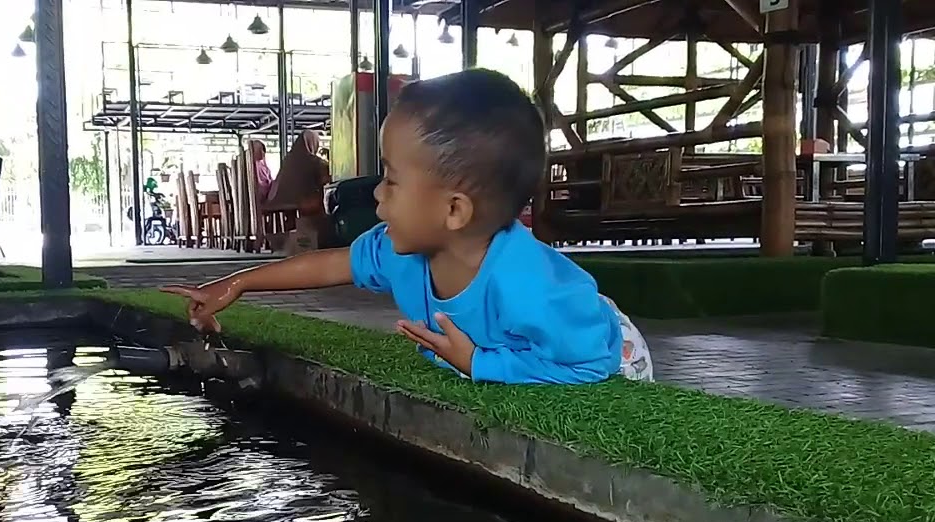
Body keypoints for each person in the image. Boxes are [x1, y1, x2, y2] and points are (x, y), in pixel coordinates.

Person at [162, 68, 652, 385]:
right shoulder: (402, 248)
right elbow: (331, 264)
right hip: (549, 336)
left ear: (454, 211)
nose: (377, 193)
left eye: (392, 179)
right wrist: (237, 284)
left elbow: (590, 363)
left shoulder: (530, 288)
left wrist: (481, 364)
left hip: (605, 349)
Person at [266, 129, 331, 216]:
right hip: (303, 205)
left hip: (279, 203)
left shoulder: (288, 159)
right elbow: (325, 178)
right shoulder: (314, 161)